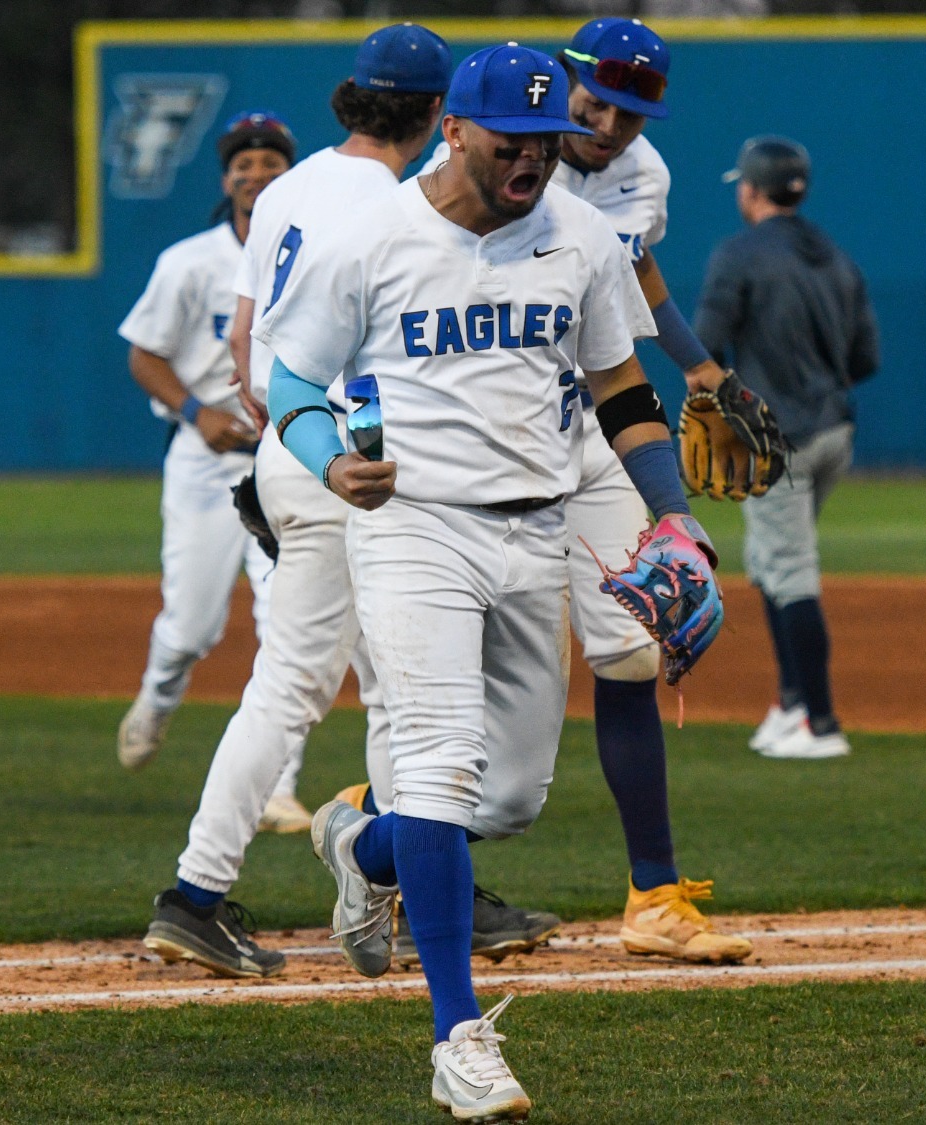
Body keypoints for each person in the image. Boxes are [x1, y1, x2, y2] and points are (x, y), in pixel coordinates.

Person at [259, 45, 722, 1119]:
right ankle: (457, 1038)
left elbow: (619, 385)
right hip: (411, 527)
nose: (534, 159)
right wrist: (328, 459)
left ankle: (360, 843)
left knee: (506, 799)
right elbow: (291, 377)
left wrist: (673, 513)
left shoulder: (581, 237)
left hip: (537, 529)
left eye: (546, 141)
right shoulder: (371, 238)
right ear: (455, 130)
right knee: (437, 768)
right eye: (511, 141)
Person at [140, 25, 557, 982]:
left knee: (391, 691)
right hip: (356, 464)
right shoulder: (397, 201)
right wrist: (336, 454)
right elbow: (380, 360)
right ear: (440, 115)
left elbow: (248, 342)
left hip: (297, 444)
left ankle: (411, 884)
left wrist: (281, 441)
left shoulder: (288, 187)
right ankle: (196, 894)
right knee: (306, 685)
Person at [114, 113, 305, 829]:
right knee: (191, 626)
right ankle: (158, 696)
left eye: (270, 162)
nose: (256, 173)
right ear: (226, 180)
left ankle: (278, 787)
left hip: (287, 457)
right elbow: (144, 354)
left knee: (287, 621)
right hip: (205, 459)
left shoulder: (315, 252)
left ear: (290, 176)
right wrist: (196, 413)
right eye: (243, 164)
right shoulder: (190, 262)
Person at [696, 134, 878, 760]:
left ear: (750, 191)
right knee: (771, 560)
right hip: (834, 433)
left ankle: (820, 723)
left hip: (777, 438)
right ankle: (791, 703)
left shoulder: (739, 253)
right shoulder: (836, 257)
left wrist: (723, 406)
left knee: (789, 570)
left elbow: (705, 344)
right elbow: (866, 358)